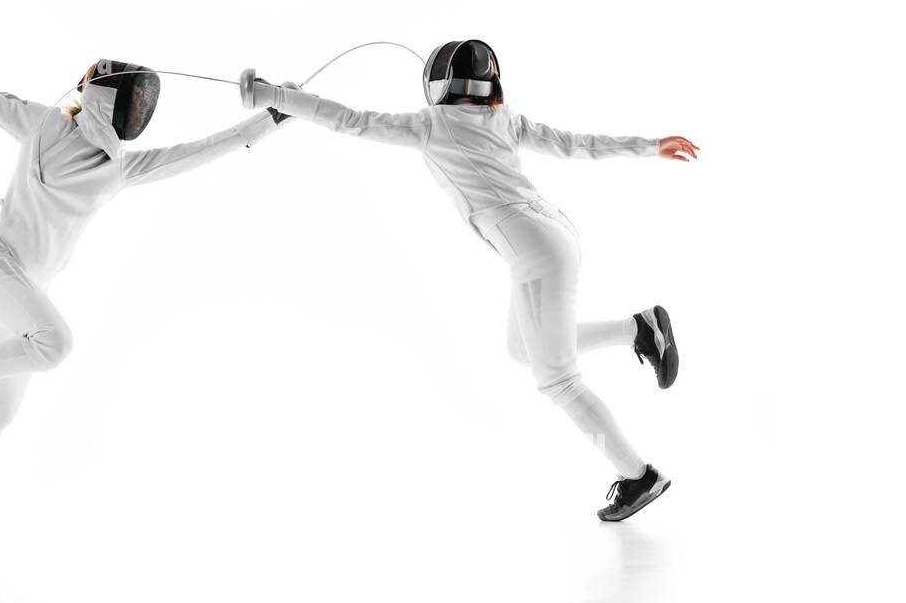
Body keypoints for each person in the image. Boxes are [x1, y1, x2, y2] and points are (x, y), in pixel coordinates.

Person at [0, 35, 288, 542]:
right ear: (107, 96)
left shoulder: (121, 167)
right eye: (133, 98)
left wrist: (274, 117)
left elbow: (204, 150)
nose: (139, 110)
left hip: (20, 293)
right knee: (55, 344)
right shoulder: (44, 126)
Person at [237, 40, 699, 521]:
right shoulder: (504, 118)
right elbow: (574, 144)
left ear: (438, 82)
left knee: (558, 379)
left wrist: (275, 96)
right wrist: (650, 146)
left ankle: (638, 475)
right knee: (523, 349)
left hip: (536, 251)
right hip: (552, 236)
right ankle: (639, 330)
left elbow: (349, 119)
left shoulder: (429, 125)